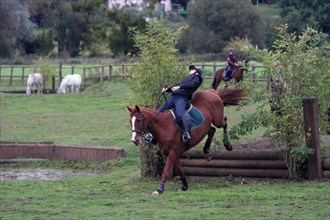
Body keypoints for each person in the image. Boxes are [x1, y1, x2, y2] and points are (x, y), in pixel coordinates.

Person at [159, 65, 203, 146]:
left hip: (182, 98)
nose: (190, 70)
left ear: (196, 72)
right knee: (159, 113)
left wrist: (180, 86)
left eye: (193, 69)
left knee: (179, 116)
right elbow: (176, 86)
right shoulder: (187, 78)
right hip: (173, 97)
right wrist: (167, 89)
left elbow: (191, 85)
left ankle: (186, 133)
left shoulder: (197, 79)